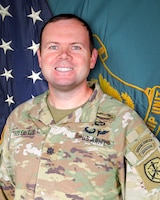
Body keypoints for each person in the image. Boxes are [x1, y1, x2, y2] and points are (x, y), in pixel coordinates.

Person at [0, 13, 160, 200]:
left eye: (75, 47)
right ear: (40, 58)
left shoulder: (124, 123)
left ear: (92, 58)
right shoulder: (19, 118)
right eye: (53, 47)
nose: (64, 56)